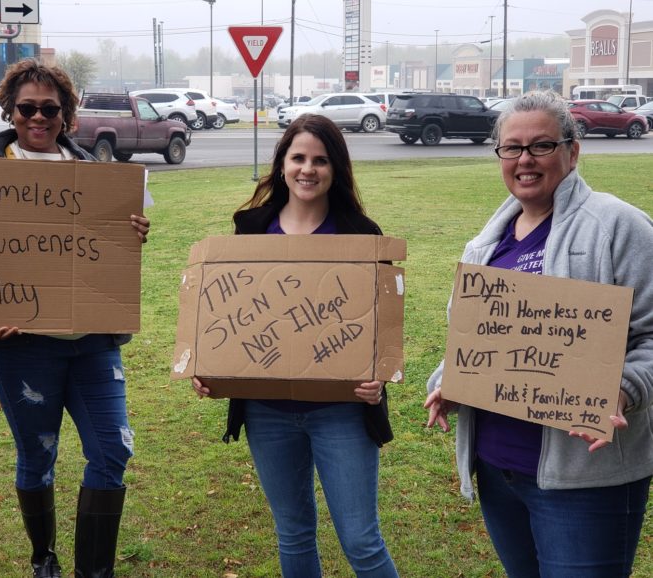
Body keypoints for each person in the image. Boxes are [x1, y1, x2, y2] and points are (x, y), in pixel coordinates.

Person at [424, 91, 653, 578]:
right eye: (512, 148)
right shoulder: (486, 242)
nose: (524, 160)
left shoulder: (620, 226)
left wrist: (623, 388)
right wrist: (448, 382)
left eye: (541, 145)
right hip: (498, 471)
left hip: (583, 482)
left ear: (573, 150)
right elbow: (472, 339)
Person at [192, 114, 400, 578]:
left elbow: (381, 329)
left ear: (336, 169)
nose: (308, 169)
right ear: (282, 163)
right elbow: (230, 317)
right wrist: (210, 370)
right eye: (299, 157)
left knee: (362, 541)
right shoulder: (250, 232)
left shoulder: (363, 236)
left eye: (321, 160)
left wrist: (378, 378)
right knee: (293, 533)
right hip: (268, 414)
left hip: (342, 411)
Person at [0, 59, 150, 578]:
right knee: (37, 457)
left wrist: (131, 232)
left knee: (112, 451)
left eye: (51, 109)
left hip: (92, 342)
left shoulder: (96, 174)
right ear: (11, 110)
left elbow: (115, 249)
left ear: (67, 114)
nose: (39, 117)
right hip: (20, 347)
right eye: (28, 108)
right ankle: (43, 558)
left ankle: (94, 572)